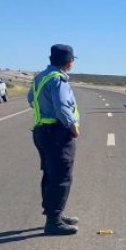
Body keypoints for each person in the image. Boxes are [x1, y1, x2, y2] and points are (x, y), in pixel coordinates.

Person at [27, 44, 81, 235]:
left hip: (41, 131)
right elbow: (63, 107)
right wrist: (72, 126)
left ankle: (55, 213)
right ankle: (53, 222)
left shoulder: (41, 77)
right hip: (57, 133)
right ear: (68, 62)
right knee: (61, 176)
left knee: (50, 173)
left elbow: (30, 99)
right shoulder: (58, 80)